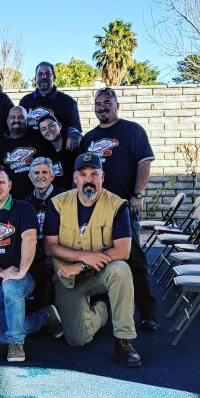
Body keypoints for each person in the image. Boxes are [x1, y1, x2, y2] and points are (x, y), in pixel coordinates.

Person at [43, 153, 142, 366]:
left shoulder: (117, 205)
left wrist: (81, 265)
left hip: (100, 272)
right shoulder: (58, 203)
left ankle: (124, 339)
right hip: (67, 278)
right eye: (83, 174)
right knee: (77, 340)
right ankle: (103, 309)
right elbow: (50, 246)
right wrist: (83, 256)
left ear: (102, 177)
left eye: (94, 174)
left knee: (120, 270)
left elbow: (123, 251)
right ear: (75, 178)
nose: (89, 180)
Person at [0, 165, 62, 362]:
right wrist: (2, 273)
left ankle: (16, 343)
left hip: (23, 277)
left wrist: (20, 272)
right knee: (0, 335)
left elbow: (30, 239)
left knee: (11, 286)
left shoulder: (23, 208)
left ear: (9, 185)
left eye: (1, 182)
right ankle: (44, 316)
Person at [81, 87, 159, 331]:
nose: (102, 107)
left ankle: (147, 313)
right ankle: (104, 311)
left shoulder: (132, 130)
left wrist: (138, 194)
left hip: (124, 207)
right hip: (95, 210)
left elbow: (144, 163)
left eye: (107, 103)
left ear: (117, 105)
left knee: (134, 259)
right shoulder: (89, 138)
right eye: (98, 104)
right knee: (100, 259)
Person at [24, 157, 66, 311]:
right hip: (35, 253)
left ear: (52, 176)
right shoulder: (25, 202)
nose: (40, 176)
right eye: (36, 173)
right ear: (30, 176)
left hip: (60, 250)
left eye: (44, 172)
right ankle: (42, 315)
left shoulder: (65, 197)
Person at [0, 106, 58, 199]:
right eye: (13, 117)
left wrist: (73, 134)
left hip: (40, 197)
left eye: (21, 117)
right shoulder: (0, 144)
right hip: (12, 199)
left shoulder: (39, 138)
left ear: (27, 120)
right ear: (8, 120)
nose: (16, 120)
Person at [19, 62, 82, 150]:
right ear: (35, 78)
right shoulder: (25, 101)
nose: (44, 77)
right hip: (33, 151)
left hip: (60, 151)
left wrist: (73, 136)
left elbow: (75, 127)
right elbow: (21, 128)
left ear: (54, 77)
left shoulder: (68, 101)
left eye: (48, 74)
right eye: (40, 74)